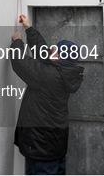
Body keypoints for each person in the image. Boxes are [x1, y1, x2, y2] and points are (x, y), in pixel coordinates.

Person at [10, 14, 84, 175]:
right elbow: (43, 52)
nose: (52, 49)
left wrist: (17, 42)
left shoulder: (50, 76)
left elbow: (21, 63)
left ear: (60, 58)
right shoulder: (65, 72)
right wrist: (28, 28)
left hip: (41, 146)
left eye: (56, 50)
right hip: (54, 145)